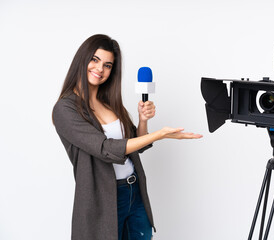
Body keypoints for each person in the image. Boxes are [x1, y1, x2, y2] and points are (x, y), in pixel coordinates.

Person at [52, 34, 202, 240]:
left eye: (107, 65)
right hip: (104, 199)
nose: (99, 69)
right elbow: (105, 149)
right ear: (82, 59)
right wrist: (159, 135)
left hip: (134, 191)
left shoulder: (109, 102)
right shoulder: (65, 108)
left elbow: (135, 144)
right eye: (94, 60)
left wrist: (142, 121)